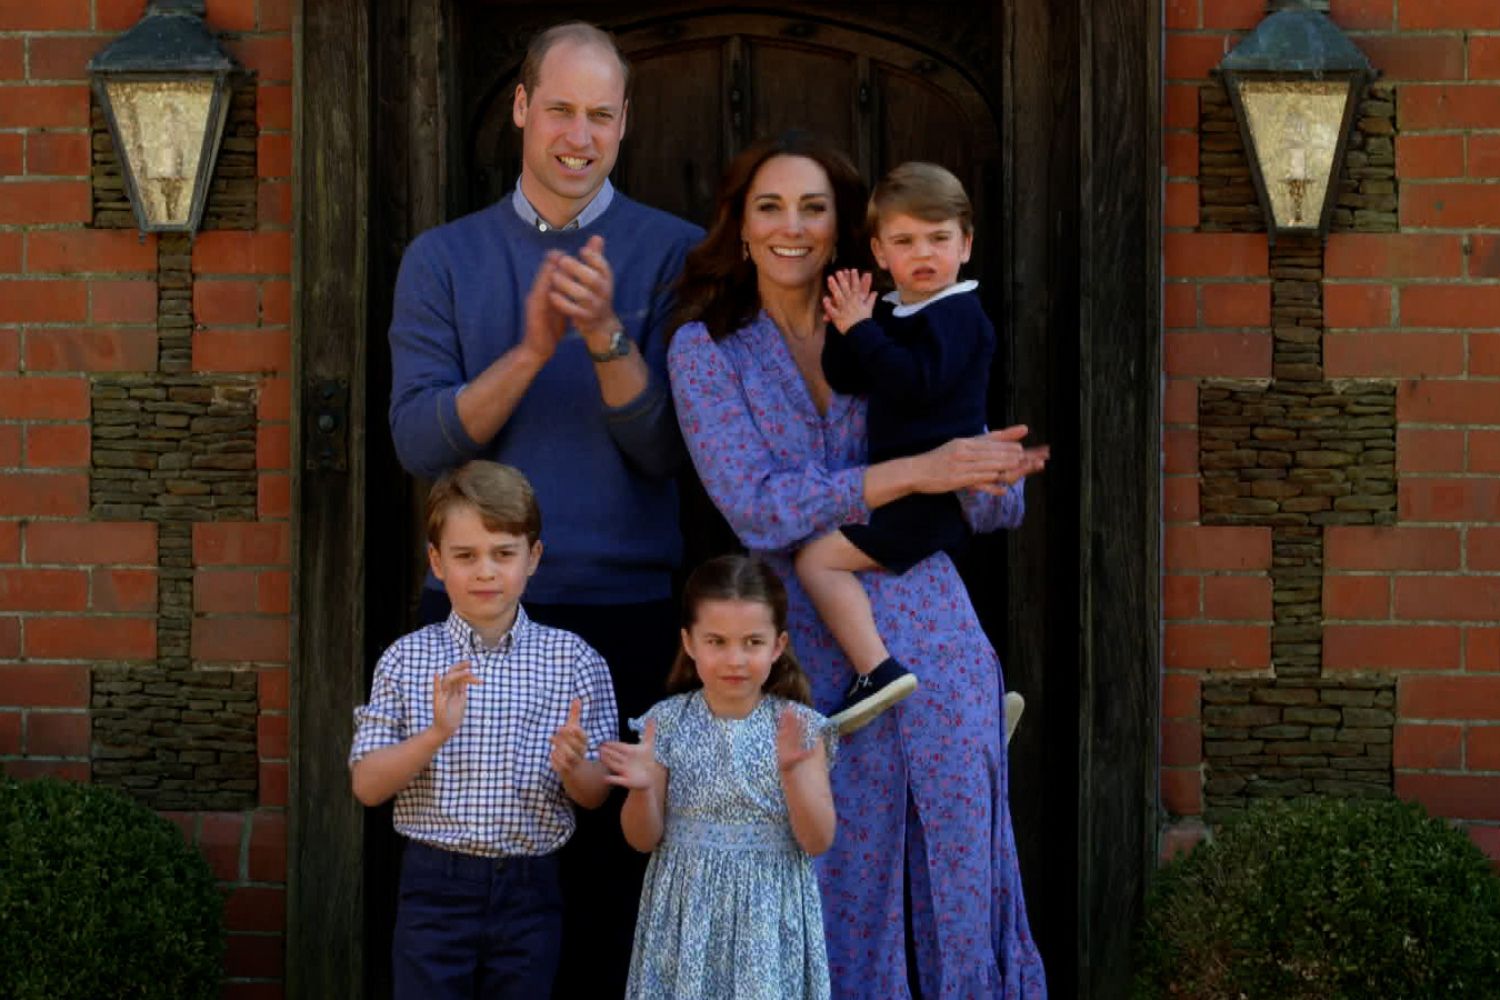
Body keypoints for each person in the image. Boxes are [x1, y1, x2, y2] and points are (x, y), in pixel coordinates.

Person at [667, 131, 1049, 998]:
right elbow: (754, 505)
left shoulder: (905, 323)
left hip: (937, 637)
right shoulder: (707, 349)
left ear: (844, 232)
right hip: (805, 653)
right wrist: (917, 472)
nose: (791, 227)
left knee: (957, 875)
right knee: (829, 877)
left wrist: (992, 475)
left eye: (813, 208)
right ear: (742, 224)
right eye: (770, 207)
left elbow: (987, 502)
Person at [384, 21, 702, 994]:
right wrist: (529, 350)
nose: (579, 133)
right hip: (479, 622)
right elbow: (421, 444)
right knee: (483, 901)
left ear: (624, 124)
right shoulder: (442, 258)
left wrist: (605, 334)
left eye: (600, 114)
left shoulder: (675, 254)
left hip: (630, 619)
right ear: (521, 108)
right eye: (559, 108)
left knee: (613, 897)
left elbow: (666, 454)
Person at [348, 461, 617, 999]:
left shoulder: (574, 661)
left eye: (503, 554)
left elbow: (595, 796)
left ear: (533, 558)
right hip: (434, 886)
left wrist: (574, 768)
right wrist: (433, 735)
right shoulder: (407, 659)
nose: (485, 572)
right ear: (436, 562)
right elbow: (367, 786)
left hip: (530, 887)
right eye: (465, 556)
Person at [798, 161, 1006, 734]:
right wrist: (847, 323)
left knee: (816, 560)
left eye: (939, 239)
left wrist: (865, 331)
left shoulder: (961, 315)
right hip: (904, 490)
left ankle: (877, 671)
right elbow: (847, 376)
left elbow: (917, 384)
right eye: (905, 240)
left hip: (932, 498)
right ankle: (973, 702)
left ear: (965, 245)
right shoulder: (896, 310)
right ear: (879, 251)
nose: (924, 253)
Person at [601, 555, 837, 999]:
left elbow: (818, 840)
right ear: (689, 642)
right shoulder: (665, 723)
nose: (735, 659)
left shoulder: (800, 728)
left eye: (752, 642)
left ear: (777, 645)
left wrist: (793, 773)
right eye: (717, 641)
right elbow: (642, 838)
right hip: (686, 915)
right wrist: (642, 789)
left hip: (768, 918)